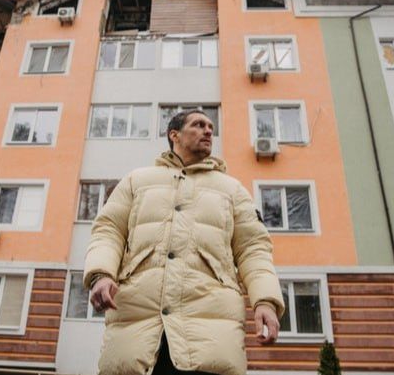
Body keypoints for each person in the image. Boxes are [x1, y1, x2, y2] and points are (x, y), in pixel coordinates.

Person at [83, 110, 285, 375]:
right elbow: (108, 230)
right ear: (174, 135)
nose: (208, 130)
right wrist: (101, 274)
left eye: (211, 126)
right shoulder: (136, 181)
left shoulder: (232, 190)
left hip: (210, 335)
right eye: (198, 125)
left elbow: (254, 249)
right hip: (137, 331)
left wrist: (265, 301)